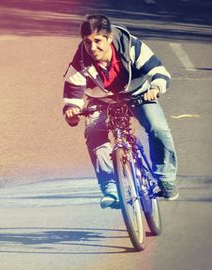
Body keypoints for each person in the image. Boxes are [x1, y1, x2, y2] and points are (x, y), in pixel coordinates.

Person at [62, 14, 179, 208]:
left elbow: (159, 71)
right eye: (87, 42)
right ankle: (110, 187)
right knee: (93, 133)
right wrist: (72, 110)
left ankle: (165, 177)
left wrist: (156, 88)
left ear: (109, 38)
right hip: (101, 101)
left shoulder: (130, 45)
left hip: (138, 94)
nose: (92, 48)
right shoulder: (80, 59)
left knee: (158, 128)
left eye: (98, 41)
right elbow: (72, 92)